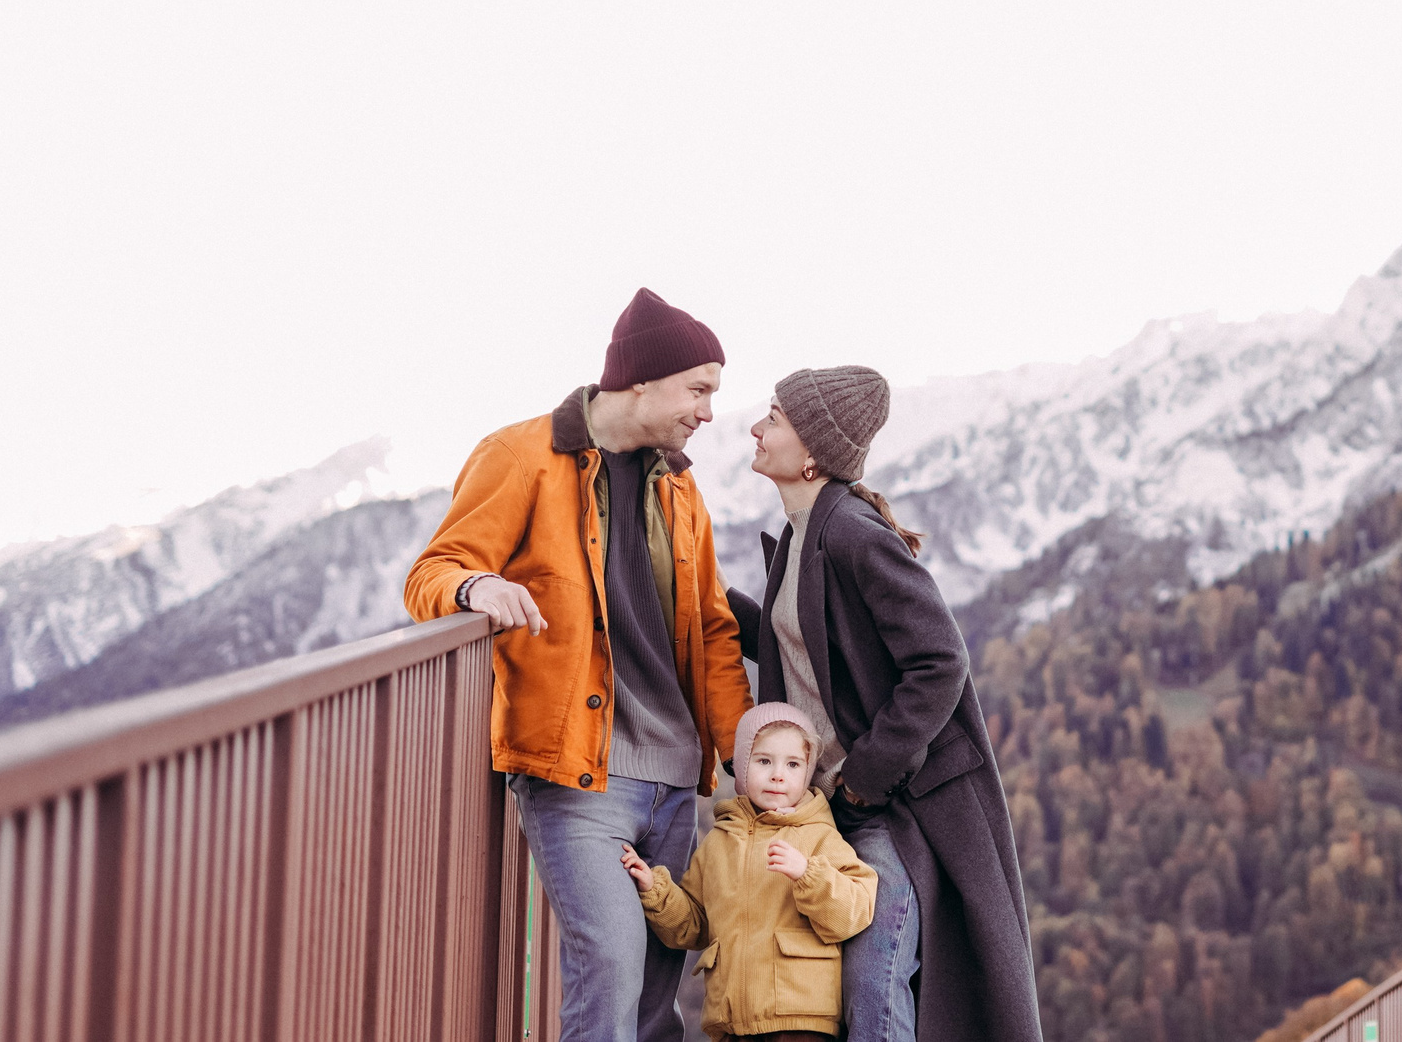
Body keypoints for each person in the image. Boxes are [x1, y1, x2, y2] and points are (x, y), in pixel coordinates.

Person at [403, 287, 755, 1042]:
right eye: (699, 388)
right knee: (612, 969)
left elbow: (715, 631)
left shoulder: (679, 485)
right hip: (576, 776)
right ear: (641, 381)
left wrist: (741, 757)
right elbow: (432, 571)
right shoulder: (522, 455)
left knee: (657, 996)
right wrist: (476, 583)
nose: (709, 411)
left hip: (672, 779)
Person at [742, 366, 1043, 1042]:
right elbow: (805, 645)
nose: (755, 429)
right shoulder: (799, 537)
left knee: (876, 985)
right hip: (832, 809)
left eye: (773, 418)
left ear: (813, 452)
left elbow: (940, 661)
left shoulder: (851, 532)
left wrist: (863, 779)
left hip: (890, 809)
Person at [621, 703, 878, 1042]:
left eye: (793, 764)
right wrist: (655, 889)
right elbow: (693, 926)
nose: (777, 774)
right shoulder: (718, 842)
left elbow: (856, 911)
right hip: (732, 1022)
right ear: (742, 767)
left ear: (807, 773)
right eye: (763, 761)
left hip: (800, 1021)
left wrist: (808, 874)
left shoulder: (820, 835)